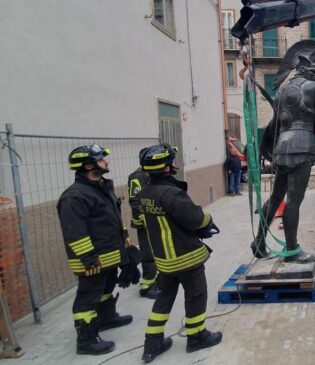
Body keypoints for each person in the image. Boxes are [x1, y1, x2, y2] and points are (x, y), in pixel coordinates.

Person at [138, 144, 222, 362]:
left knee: (164, 298)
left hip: (164, 262)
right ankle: (196, 337)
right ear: (167, 168)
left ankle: (152, 343)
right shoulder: (171, 193)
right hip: (185, 257)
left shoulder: (145, 193)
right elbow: (195, 218)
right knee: (196, 295)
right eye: (171, 161)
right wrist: (207, 221)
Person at [57, 144, 133, 355]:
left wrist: (125, 242)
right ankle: (86, 341)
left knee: (105, 289)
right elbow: (75, 232)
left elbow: (114, 220)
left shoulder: (101, 187)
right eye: (101, 160)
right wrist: (88, 259)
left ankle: (107, 318)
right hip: (93, 260)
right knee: (87, 298)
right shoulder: (75, 196)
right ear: (88, 165)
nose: (106, 162)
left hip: (108, 256)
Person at [251, 54, 315, 263]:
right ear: (304, 70)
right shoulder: (312, 88)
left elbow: (276, 125)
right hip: (301, 148)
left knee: (276, 198)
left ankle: (259, 242)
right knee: (293, 201)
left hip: (281, 149)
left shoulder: (281, 91)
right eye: (314, 73)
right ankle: (292, 251)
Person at [128, 150, 161, 299]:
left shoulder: (150, 175)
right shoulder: (137, 177)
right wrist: (145, 220)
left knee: (156, 252)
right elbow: (135, 201)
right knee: (148, 254)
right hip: (145, 224)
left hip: (154, 222)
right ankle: (147, 287)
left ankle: (155, 281)